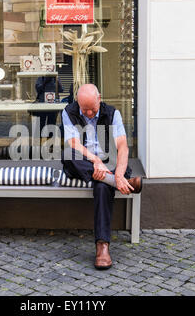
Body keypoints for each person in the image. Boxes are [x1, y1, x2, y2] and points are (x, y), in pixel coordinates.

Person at [61, 84, 142, 270]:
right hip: (84, 162)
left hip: (111, 164)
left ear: (99, 98)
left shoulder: (113, 113)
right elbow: (73, 143)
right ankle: (116, 182)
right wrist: (95, 160)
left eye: (92, 108)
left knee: (102, 186)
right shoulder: (69, 112)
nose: (89, 113)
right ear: (78, 103)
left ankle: (102, 247)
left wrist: (119, 172)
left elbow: (122, 147)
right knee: (68, 154)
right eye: (84, 109)